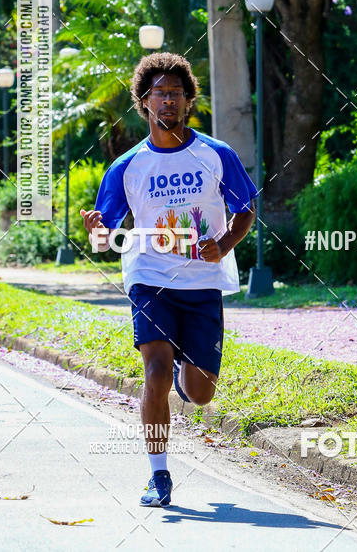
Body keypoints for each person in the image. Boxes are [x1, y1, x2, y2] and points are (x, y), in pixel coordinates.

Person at [80, 52, 256, 507]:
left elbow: (245, 209)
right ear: (143, 102)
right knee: (153, 371)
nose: (168, 101)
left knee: (200, 394)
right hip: (149, 276)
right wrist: (98, 230)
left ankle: (186, 372)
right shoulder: (127, 166)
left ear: (188, 100)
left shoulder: (216, 155)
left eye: (176, 93)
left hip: (202, 281)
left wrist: (225, 243)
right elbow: (106, 232)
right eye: (159, 93)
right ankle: (159, 475)